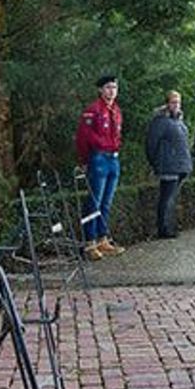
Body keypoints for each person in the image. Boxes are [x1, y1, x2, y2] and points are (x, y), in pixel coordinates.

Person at [74, 75, 126, 261]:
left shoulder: (117, 110)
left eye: (114, 87)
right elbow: (82, 137)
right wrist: (84, 160)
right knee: (94, 202)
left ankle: (103, 239)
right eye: (108, 87)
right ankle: (89, 243)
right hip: (98, 158)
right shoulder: (93, 110)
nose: (112, 91)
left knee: (106, 202)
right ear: (100, 90)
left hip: (113, 158)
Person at [146, 91, 193, 239]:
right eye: (173, 102)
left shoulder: (179, 121)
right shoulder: (160, 121)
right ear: (166, 103)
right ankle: (163, 228)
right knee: (166, 198)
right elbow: (151, 144)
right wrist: (155, 162)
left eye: (178, 102)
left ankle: (169, 226)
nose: (176, 105)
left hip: (180, 166)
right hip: (168, 165)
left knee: (172, 198)